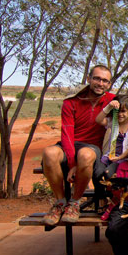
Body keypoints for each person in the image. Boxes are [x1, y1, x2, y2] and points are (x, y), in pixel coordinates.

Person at [41, 65, 115, 225]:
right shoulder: (71, 102)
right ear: (89, 79)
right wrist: (72, 163)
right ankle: (60, 203)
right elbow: (67, 134)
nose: (100, 83)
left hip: (92, 148)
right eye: (96, 78)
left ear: (109, 84)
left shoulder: (112, 101)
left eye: (105, 80)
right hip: (70, 145)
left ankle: (74, 203)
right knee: (49, 153)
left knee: (86, 155)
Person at [95, 96, 128, 170]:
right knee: (97, 172)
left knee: (108, 173)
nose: (120, 114)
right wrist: (109, 107)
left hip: (125, 159)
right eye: (117, 111)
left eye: (123, 111)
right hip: (110, 157)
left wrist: (119, 157)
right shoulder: (113, 122)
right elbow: (98, 120)